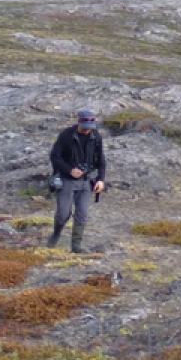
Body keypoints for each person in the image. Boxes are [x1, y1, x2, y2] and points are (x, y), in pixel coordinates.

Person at [46, 108, 108, 254]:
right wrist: (69, 170)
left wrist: (100, 180)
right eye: (85, 128)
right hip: (67, 180)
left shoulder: (96, 137)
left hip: (87, 181)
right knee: (63, 213)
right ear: (79, 122)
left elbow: (101, 161)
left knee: (82, 214)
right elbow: (55, 157)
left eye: (90, 128)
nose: (88, 131)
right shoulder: (66, 135)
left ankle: (76, 246)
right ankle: (55, 235)